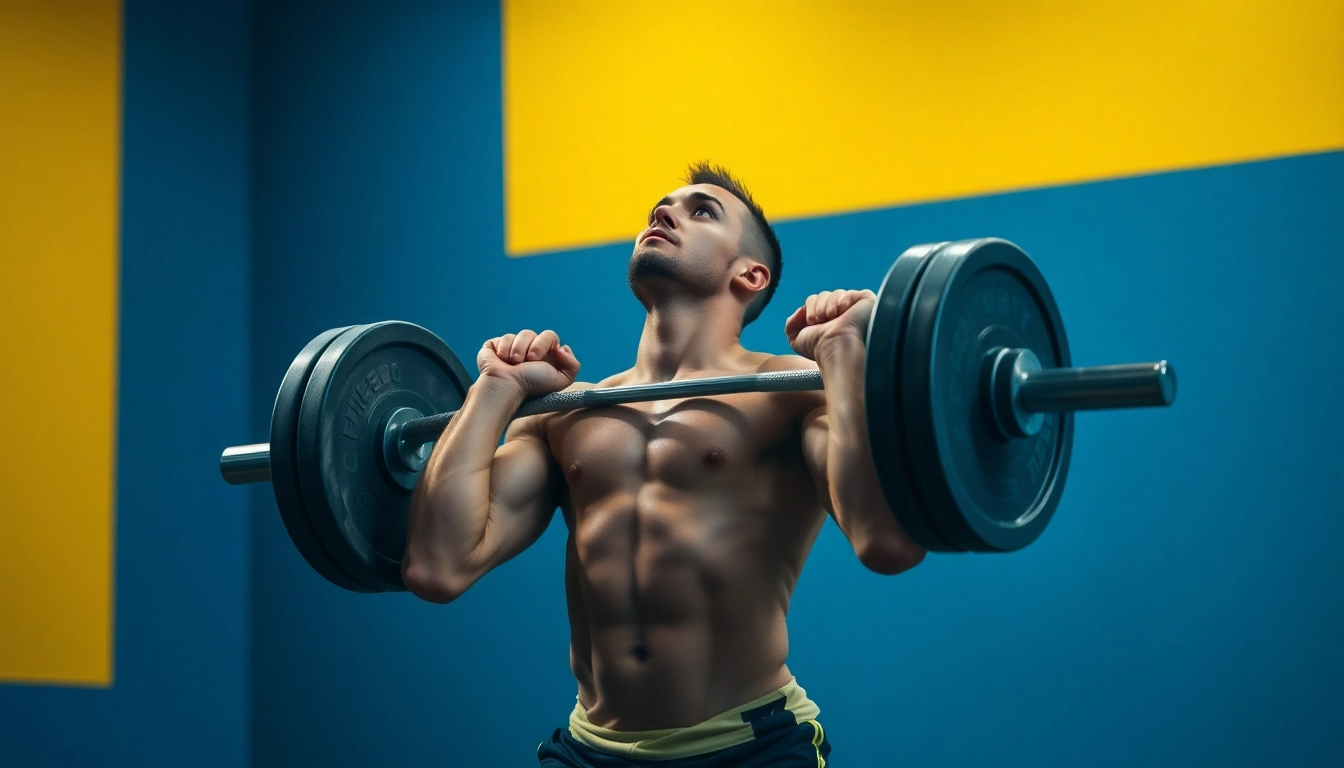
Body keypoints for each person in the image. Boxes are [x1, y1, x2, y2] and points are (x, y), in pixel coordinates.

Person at [403, 162, 925, 766]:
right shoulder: (566, 414)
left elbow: (885, 539)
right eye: (662, 205)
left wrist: (842, 356)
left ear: (750, 274)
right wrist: (494, 389)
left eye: (702, 210)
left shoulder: (789, 389)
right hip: (590, 749)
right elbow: (438, 566)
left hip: (748, 746)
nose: (664, 213)